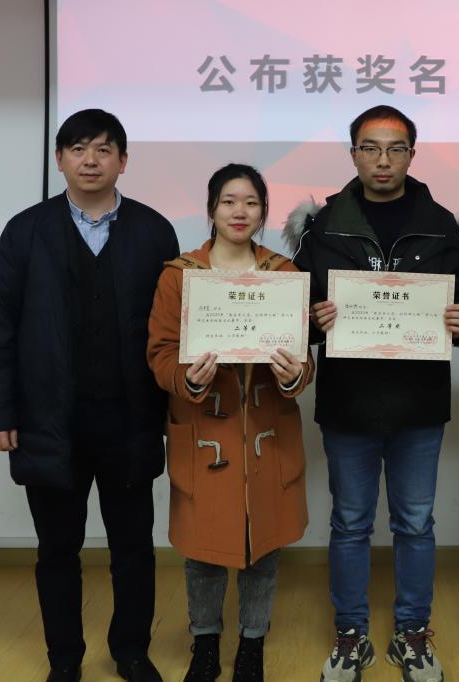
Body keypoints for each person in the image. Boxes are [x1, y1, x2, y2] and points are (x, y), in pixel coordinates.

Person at [284, 105, 459, 682]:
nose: (383, 160)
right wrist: (312, 319)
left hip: (419, 403)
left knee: (415, 523)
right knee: (349, 523)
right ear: (353, 154)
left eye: (395, 149)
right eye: (370, 148)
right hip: (348, 402)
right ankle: (350, 635)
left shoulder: (442, 224)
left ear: (411, 155)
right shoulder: (323, 225)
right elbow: (291, 311)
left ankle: (411, 634)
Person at [0, 109, 178, 682]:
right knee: (57, 549)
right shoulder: (25, 230)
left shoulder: (153, 230)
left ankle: (131, 651)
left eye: (104, 149)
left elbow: (174, 326)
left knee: (133, 548)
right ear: (60, 159)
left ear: (123, 161)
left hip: (130, 419)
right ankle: (63, 659)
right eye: (79, 148)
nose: (91, 160)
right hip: (48, 421)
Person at [147, 163, 313, 682]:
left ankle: (252, 645)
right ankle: (204, 642)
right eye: (228, 201)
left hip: (266, 432)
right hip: (206, 433)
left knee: (263, 547)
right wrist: (186, 378)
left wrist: (295, 374)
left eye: (251, 202)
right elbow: (160, 352)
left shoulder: (284, 275)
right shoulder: (180, 275)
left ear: (263, 212)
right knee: (202, 551)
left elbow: (302, 357)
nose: (240, 212)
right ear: (211, 209)